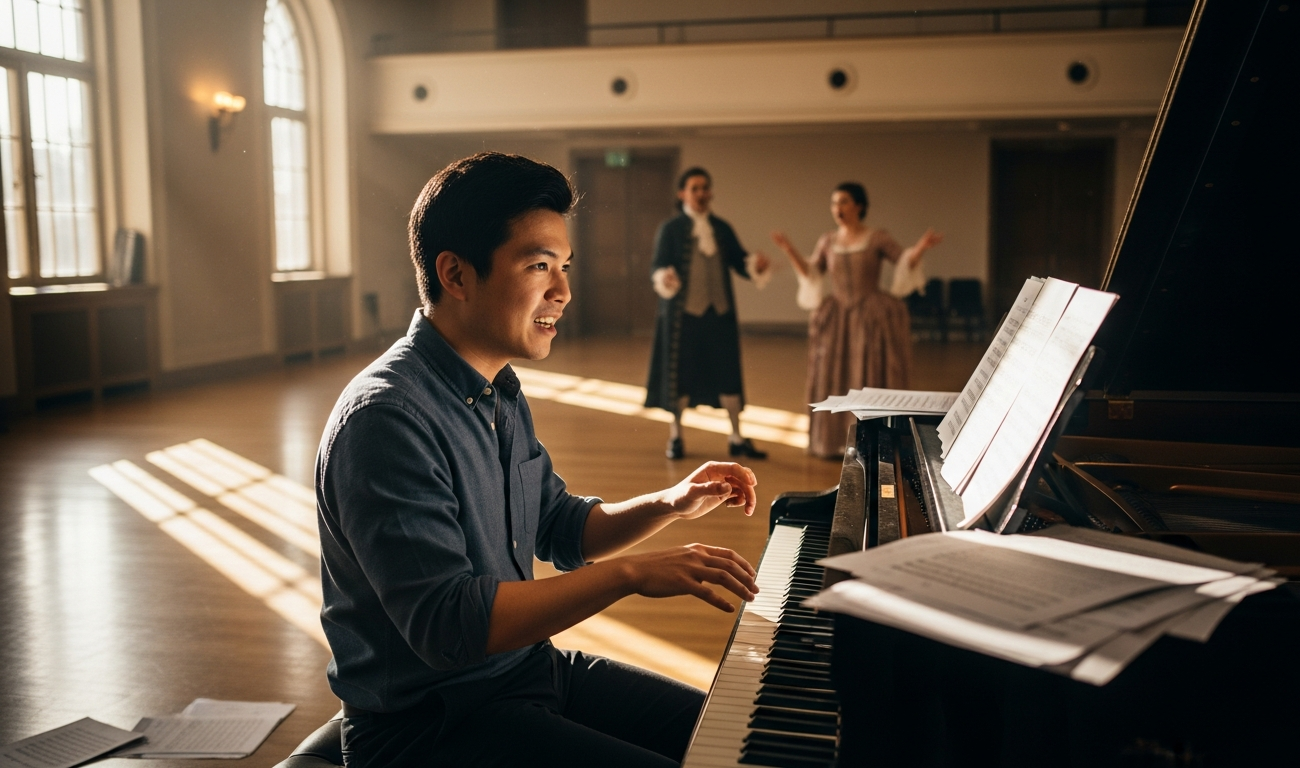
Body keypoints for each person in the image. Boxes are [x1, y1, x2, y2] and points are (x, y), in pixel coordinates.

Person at [317, 152, 762, 768]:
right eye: (539, 266)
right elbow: (452, 628)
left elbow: (560, 526)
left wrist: (671, 502)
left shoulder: (497, 388)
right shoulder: (386, 419)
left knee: (741, 741)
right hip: (429, 728)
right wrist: (632, 575)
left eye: (565, 266)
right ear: (456, 274)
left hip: (527, 673)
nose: (564, 291)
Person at [771, 182, 943, 458]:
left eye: (844, 202)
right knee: (834, 374)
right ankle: (834, 442)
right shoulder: (828, 240)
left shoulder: (876, 238)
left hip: (871, 315)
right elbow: (813, 272)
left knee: (870, 372)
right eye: (834, 203)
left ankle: (875, 442)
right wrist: (789, 250)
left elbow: (903, 261)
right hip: (837, 316)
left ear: (859, 206)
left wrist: (920, 248)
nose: (837, 208)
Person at [645, 167, 771, 461]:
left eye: (705, 188)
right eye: (695, 188)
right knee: (681, 376)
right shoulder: (671, 229)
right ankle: (676, 437)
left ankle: (737, 437)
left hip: (719, 315)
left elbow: (741, 262)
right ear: (682, 194)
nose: (701, 193)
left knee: (728, 374)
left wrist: (757, 266)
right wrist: (666, 277)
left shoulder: (721, 228)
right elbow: (658, 266)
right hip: (683, 318)